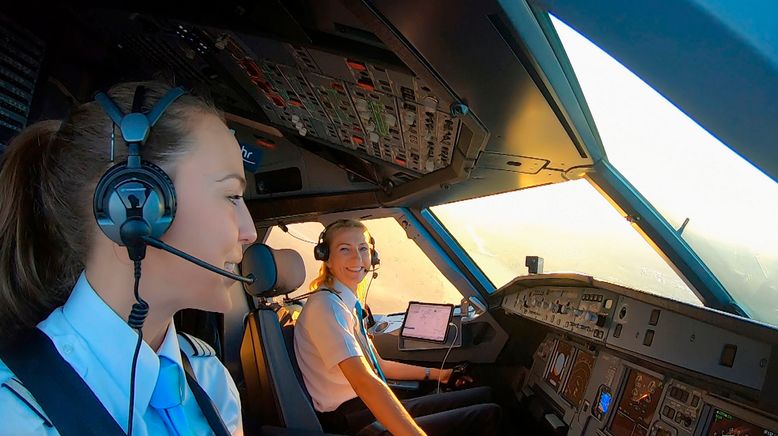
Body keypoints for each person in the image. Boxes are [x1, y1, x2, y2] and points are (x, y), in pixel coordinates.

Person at [0, 81, 257, 434]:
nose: (250, 231)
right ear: (131, 205)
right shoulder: (17, 414)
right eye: (231, 196)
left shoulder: (210, 377)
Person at [294, 219, 501, 436]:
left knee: (485, 394)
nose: (357, 257)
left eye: (363, 248)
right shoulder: (326, 308)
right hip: (351, 419)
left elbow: (379, 366)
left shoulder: (344, 303)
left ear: (372, 257)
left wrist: (441, 374)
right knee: (489, 414)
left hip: (363, 406)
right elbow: (364, 381)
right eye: (344, 249)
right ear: (326, 257)